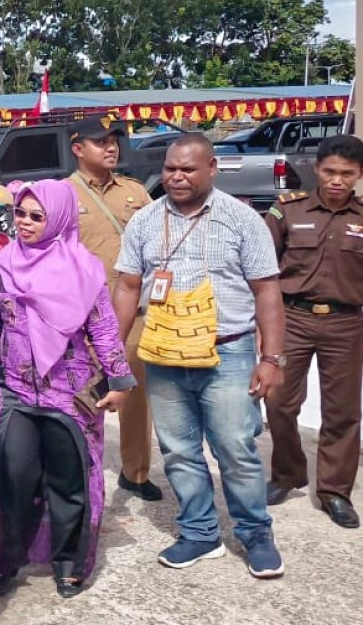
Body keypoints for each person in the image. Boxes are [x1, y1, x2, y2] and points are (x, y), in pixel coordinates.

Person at [112, 133, 287, 579]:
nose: (176, 177)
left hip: (227, 353)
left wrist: (271, 358)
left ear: (212, 167)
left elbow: (267, 291)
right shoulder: (145, 220)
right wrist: (111, 353)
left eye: (187, 169)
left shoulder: (243, 220)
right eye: (171, 168)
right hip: (164, 353)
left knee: (235, 449)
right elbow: (128, 287)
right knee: (178, 451)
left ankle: (255, 534)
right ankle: (199, 532)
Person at [0, 179, 134, 599]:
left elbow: (102, 328)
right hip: (13, 387)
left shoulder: (85, 269)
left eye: (36, 216)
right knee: (12, 475)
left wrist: (119, 381)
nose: (24, 223)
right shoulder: (2, 263)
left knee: (70, 481)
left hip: (69, 390)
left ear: (59, 219)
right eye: (19, 214)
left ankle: (69, 562)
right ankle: (6, 560)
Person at [263, 134, 363, 529]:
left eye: (347, 174)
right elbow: (262, 268)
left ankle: (335, 491)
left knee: (341, 412)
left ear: (359, 174)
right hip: (293, 319)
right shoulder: (288, 211)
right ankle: (288, 473)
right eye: (330, 171)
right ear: (317, 169)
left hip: (347, 322)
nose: (337, 180)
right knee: (278, 402)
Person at [66, 114, 162, 502]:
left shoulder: (136, 193)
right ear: (77, 149)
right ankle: (77, 469)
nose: (111, 147)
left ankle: (135, 472)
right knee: (82, 393)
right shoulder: (62, 195)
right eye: (100, 142)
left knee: (134, 394)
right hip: (84, 317)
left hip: (133, 314)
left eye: (113, 141)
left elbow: (158, 240)